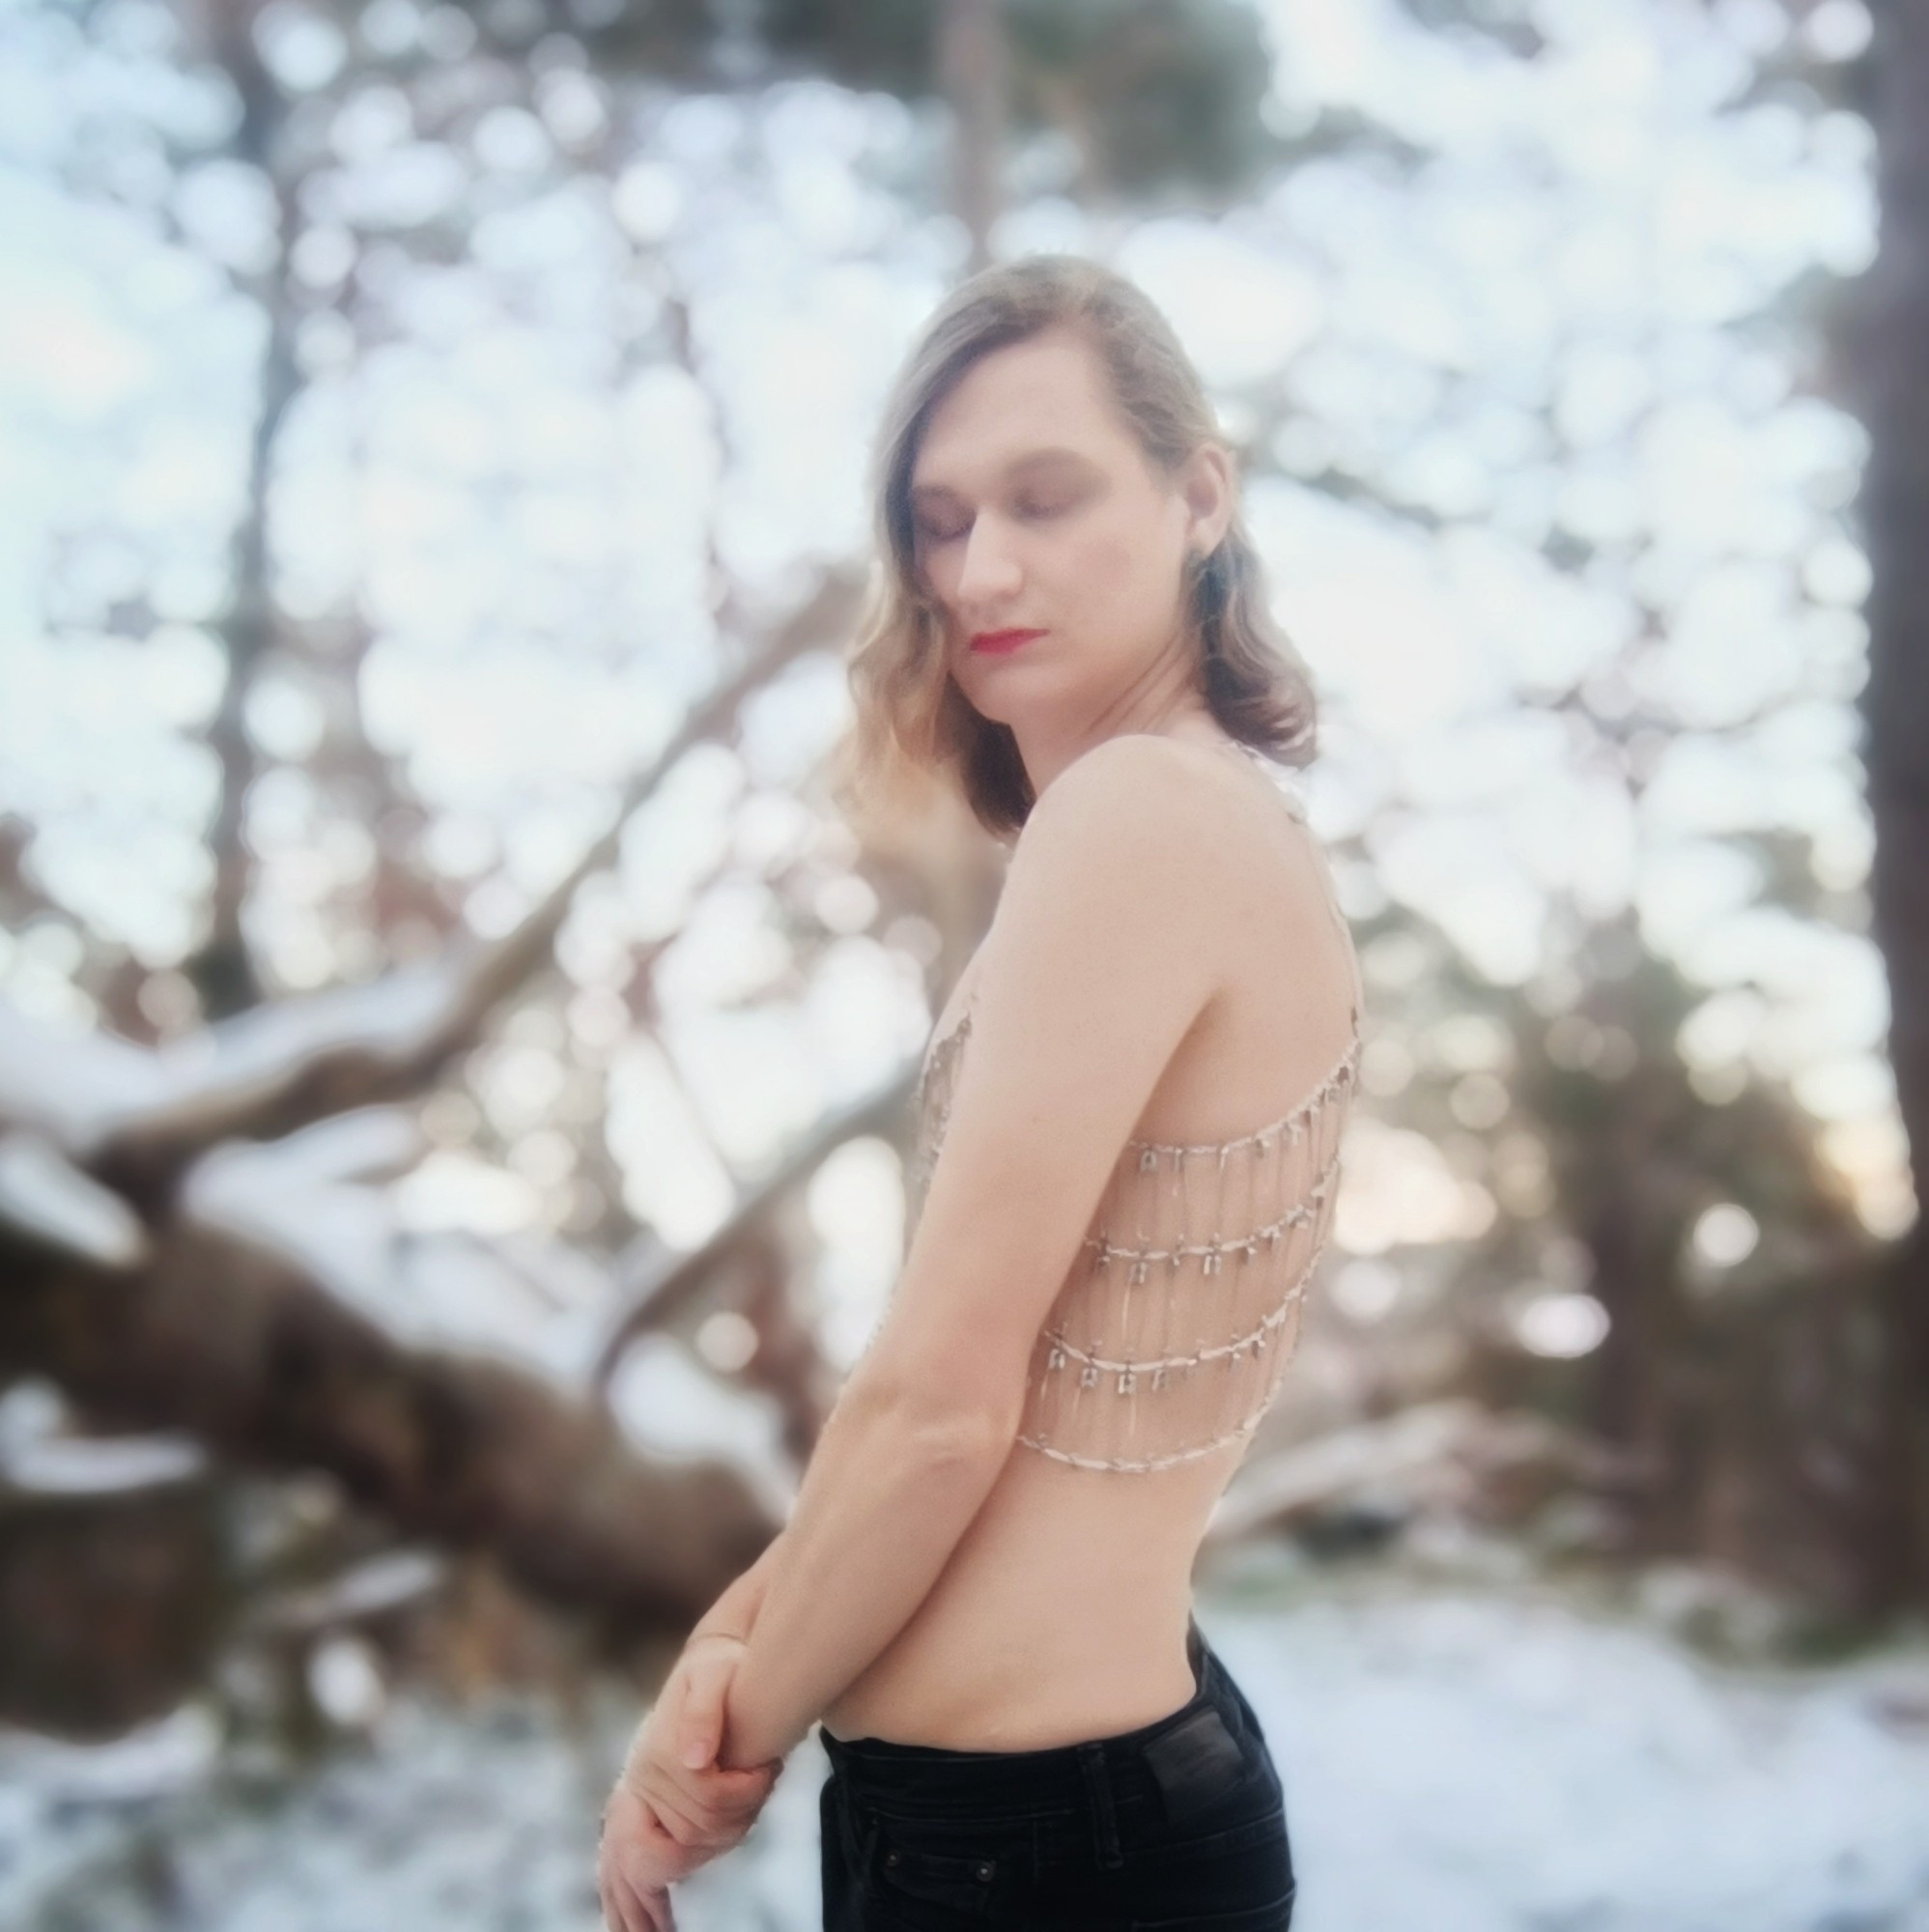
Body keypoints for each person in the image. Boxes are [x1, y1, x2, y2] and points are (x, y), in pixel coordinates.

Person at [598, 252, 1363, 1932]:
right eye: (939, 521)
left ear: (1197, 498)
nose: (981, 567)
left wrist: (709, 1755)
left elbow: (940, 1414)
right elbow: (954, 1410)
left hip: (1034, 1854)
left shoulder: (1136, 822)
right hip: (1066, 1821)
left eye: (1044, 495)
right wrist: (730, 1642)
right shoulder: (1202, 826)